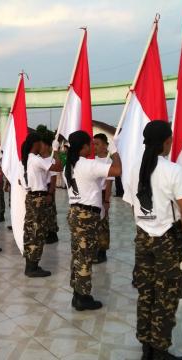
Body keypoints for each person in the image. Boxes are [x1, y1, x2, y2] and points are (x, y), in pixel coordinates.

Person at [129, 121, 182, 360]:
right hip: (167, 240)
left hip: (143, 238)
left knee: (146, 293)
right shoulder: (173, 171)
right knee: (166, 296)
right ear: (166, 142)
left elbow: (132, 206)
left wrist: (145, 226)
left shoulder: (134, 168)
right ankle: (159, 351)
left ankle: (146, 348)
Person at [64, 130, 122, 311]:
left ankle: (77, 293)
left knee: (78, 255)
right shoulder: (88, 164)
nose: (91, 146)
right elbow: (117, 170)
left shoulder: (71, 165)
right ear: (83, 147)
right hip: (86, 215)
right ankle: (83, 297)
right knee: (85, 256)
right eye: (89, 143)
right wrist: (114, 151)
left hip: (75, 212)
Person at [21, 132, 63, 277]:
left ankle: (31, 264)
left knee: (32, 231)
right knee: (37, 233)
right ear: (36, 144)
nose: (43, 146)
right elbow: (58, 167)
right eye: (41, 143)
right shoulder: (36, 159)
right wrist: (56, 150)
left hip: (33, 197)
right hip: (38, 198)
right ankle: (32, 267)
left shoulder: (31, 159)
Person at [92, 133, 114, 264]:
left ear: (105, 145)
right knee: (94, 223)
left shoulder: (109, 161)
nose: (95, 146)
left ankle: (102, 251)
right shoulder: (92, 160)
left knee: (103, 223)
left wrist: (106, 201)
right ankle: (95, 248)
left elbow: (109, 183)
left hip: (103, 194)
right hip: (93, 194)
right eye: (93, 144)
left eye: (97, 144)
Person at [39, 136, 59, 244]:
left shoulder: (51, 160)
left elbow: (53, 177)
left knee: (50, 211)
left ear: (47, 146)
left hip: (48, 188)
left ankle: (52, 233)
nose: (39, 147)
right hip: (40, 188)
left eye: (41, 145)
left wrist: (50, 193)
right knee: (42, 212)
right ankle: (45, 232)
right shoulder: (38, 159)